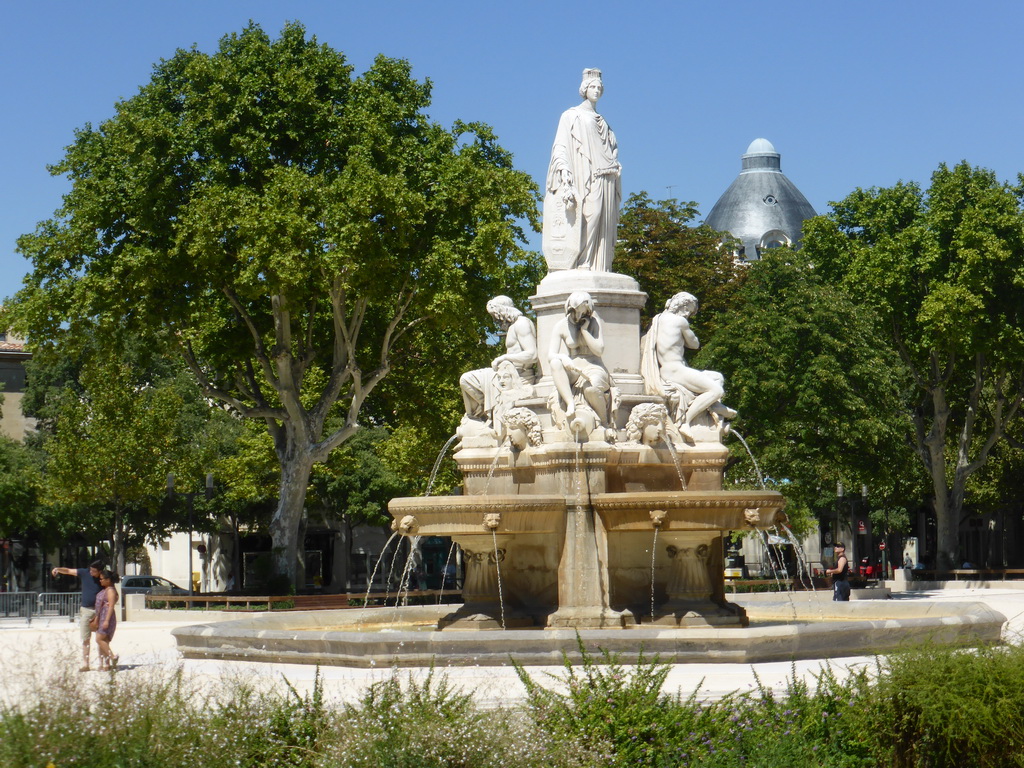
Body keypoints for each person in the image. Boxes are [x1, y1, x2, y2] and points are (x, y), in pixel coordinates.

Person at [542, 68, 621, 272]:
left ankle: (599, 265)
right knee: (589, 215)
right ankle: (582, 262)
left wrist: (615, 163)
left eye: (599, 88)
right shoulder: (571, 115)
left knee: (605, 222)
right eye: (592, 87)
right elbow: (560, 145)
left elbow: (611, 148)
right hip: (585, 176)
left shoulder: (603, 122)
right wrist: (563, 169)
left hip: (607, 176)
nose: (596, 91)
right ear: (584, 89)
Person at [641, 292, 737, 438]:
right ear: (681, 305)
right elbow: (694, 344)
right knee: (716, 390)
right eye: (688, 309)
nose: (688, 314)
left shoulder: (657, 320)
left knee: (717, 377)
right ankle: (684, 422)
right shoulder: (680, 322)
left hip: (668, 369)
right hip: (675, 370)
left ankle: (715, 407)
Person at [459, 296, 538, 423]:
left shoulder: (521, 323)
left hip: (518, 376)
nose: (495, 320)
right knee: (466, 379)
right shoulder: (514, 326)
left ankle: (482, 412)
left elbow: (532, 355)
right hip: (505, 374)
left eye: (495, 315)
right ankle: (478, 415)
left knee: (467, 379)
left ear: (503, 311)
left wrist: (504, 357)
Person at [548, 291, 611, 427]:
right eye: (577, 313)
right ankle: (570, 403)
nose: (579, 317)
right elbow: (551, 354)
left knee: (591, 389)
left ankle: (604, 422)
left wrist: (585, 331)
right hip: (574, 369)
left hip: (594, 367)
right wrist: (563, 358)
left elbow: (599, 350)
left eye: (584, 313)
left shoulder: (594, 322)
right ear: (570, 309)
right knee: (555, 363)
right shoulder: (561, 326)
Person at [51, 559, 105, 671]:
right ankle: (86, 664)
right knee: (85, 638)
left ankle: (101, 663)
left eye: (94, 571)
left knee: (100, 639)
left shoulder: (104, 577)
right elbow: (69, 571)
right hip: (86, 610)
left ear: (100, 571)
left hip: (100, 610)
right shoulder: (84, 572)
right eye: (90, 570)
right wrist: (58, 569)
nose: (91, 572)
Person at [93, 569, 120, 670]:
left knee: (99, 639)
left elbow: (111, 606)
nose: (100, 581)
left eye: (102, 579)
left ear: (108, 580)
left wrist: (106, 620)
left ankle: (113, 657)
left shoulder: (111, 591)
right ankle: (106, 664)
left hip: (106, 617)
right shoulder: (106, 589)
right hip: (101, 616)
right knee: (103, 641)